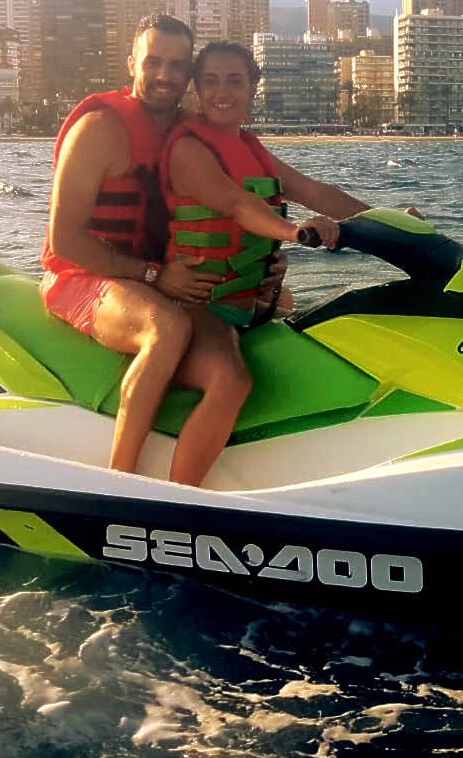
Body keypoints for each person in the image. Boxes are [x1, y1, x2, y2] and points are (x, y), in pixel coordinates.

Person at [39, 14, 273, 483]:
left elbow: (238, 207)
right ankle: (120, 483)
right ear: (132, 65)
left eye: (177, 65)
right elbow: (64, 240)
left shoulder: (192, 135)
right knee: (166, 327)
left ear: (189, 74)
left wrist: (267, 263)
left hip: (159, 280)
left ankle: (181, 497)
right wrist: (153, 276)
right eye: (153, 62)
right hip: (81, 278)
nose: (165, 75)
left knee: (233, 375)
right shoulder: (98, 130)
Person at [157, 41, 376, 481]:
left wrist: (386, 222)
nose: (223, 92)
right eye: (211, 81)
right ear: (196, 88)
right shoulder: (188, 149)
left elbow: (315, 192)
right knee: (231, 380)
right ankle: (178, 498)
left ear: (253, 87)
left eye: (235, 81)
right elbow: (237, 205)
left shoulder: (251, 148)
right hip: (198, 304)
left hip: (246, 302)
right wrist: (296, 233)